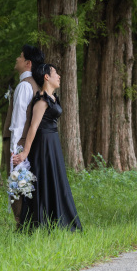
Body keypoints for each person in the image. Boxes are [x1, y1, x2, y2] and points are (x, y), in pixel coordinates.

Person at [13, 63, 82, 232]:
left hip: (53, 143)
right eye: (55, 73)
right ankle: (41, 223)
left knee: (56, 179)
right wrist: (25, 153)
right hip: (43, 145)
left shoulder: (52, 98)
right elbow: (33, 127)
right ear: (46, 77)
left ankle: (60, 220)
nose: (59, 76)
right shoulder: (42, 101)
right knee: (44, 180)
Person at [1, 44, 43, 225]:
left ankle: (20, 222)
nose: (17, 59)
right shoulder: (35, 85)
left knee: (16, 182)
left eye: (20, 56)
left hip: (19, 142)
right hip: (28, 142)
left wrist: (13, 148)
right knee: (25, 182)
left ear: (28, 63)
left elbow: (18, 120)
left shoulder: (25, 86)